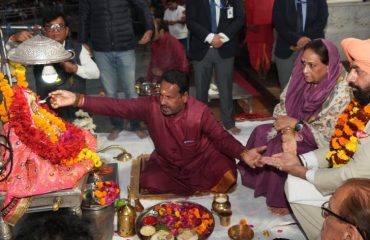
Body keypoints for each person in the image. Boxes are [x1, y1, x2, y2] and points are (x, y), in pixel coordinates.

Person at [49, 70, 260, 195]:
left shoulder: (200, 112)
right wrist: (78, 99)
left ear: (185, 97)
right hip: (168, 165)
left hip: (200, 161)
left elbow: (220, 137)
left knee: (228, 176)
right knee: (147, 183)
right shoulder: (150, 107)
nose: (163, 101)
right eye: (161, 95)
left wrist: (243, 153)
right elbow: (118, 106)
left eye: (170, 97)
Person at [261, 38, 370, 239]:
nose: (349, 78)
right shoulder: (362, 105)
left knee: (319, 196)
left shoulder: (346, 93)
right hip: (346, 173)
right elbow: (342, 143)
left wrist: (302, 171)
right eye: (351, 69)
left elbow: (351, 173)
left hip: (361, 191)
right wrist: (301, 161)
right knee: (293, 185)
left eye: (358, 71)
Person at [238, 39, 352, 215]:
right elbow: (284, 106)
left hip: (318, 141)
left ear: (329, 67)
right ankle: (260, 183)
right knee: (260, 132)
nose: (305, 70)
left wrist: (296, 126)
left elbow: (329, 135)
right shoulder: (301, 74)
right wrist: (288, 130)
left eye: (312, 65)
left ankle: (282, 198)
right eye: (303, 63)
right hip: (293, 127)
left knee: (279, 149)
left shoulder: (342, 91)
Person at [78, 0, 153, 140]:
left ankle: (135, 125)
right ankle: (117, 125)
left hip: (125, 45)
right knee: (110, 92)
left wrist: (149, 28)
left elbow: (142, 6)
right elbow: (83, 15)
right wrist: (82, 41)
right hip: (101, 47)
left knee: (130, 90)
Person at [8, 11, 100, 121]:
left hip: (77, 110)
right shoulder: (35, 50)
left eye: (59, 26)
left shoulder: (79, 49)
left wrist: (75, 68)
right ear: (44, 31)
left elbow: (95, 73)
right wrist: (13, 39)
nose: (55, 31)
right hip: (50, 113)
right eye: (50, 27)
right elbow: (10, 58)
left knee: (83, 136)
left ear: (67, 30)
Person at [186, 0, 245, 135]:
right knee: (201, 90)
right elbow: (191, 21)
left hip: (226, 47)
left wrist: (223, 37)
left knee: (225, 88)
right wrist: (211, 37)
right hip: (202, 47)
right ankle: (201, 123)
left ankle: (228, 122)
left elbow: (240, 18)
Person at [272, 0, 328, 88]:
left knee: (313, 89)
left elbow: (321, 21)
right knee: (287, 90)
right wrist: (297, 39)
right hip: (286, 49)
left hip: (313, 49)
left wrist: (304, 41)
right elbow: (278, 22)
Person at [147, 18, 188, 83]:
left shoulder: (174, 44)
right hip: (159, 81)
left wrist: (164, 74)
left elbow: (183, 69)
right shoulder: (154, 43)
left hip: (173, 82)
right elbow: (152, 64)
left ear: (162, 31)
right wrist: (148, 80)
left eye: (153, 31)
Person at [244, 0, 274, 80]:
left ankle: (262, 72)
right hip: (259, 25)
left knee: (262, 50)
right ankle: (262, 72)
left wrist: (249, 23)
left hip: (264, 25)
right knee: (261, 50)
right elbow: (249, 7)